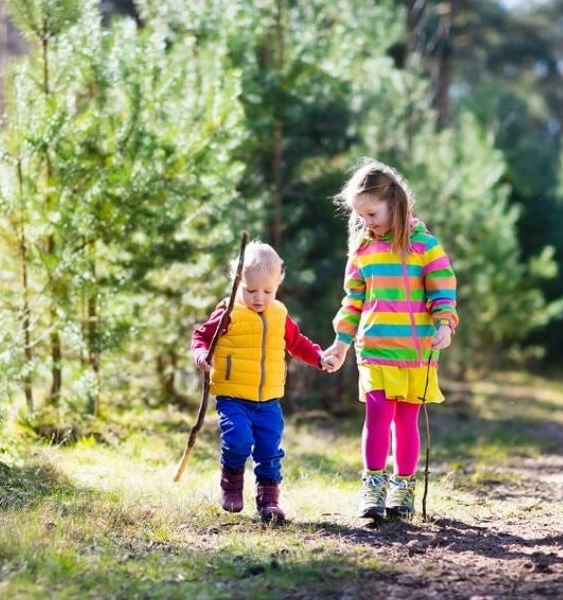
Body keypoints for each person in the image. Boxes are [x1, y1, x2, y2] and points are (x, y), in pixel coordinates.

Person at [321, 158, 458, 520]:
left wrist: (445, 323)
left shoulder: (424, 246)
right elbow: (352, 302)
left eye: (372, 213)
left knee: (406, 421)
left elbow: (442, 288)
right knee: (378, 415)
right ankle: (373, 486)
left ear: (394, 202)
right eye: (361, 216)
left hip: (415, 352)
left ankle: (403, 487)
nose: (367, 222)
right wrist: (340, 342)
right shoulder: (363, 251)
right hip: (375, 348)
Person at [191, 240, 325, 523]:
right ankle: (231, 484)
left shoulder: (279, 313)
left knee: (269, 450)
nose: (259, 298)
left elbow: (297, 343)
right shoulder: (228, 312)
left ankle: (269, 501)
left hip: (269, 400)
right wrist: (202, 354)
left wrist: (319, 357)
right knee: (238, 439)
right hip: (233, 395)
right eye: (251, 290)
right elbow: (201, 335)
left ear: (278, 285)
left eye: (268, 291)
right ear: (237, 282)